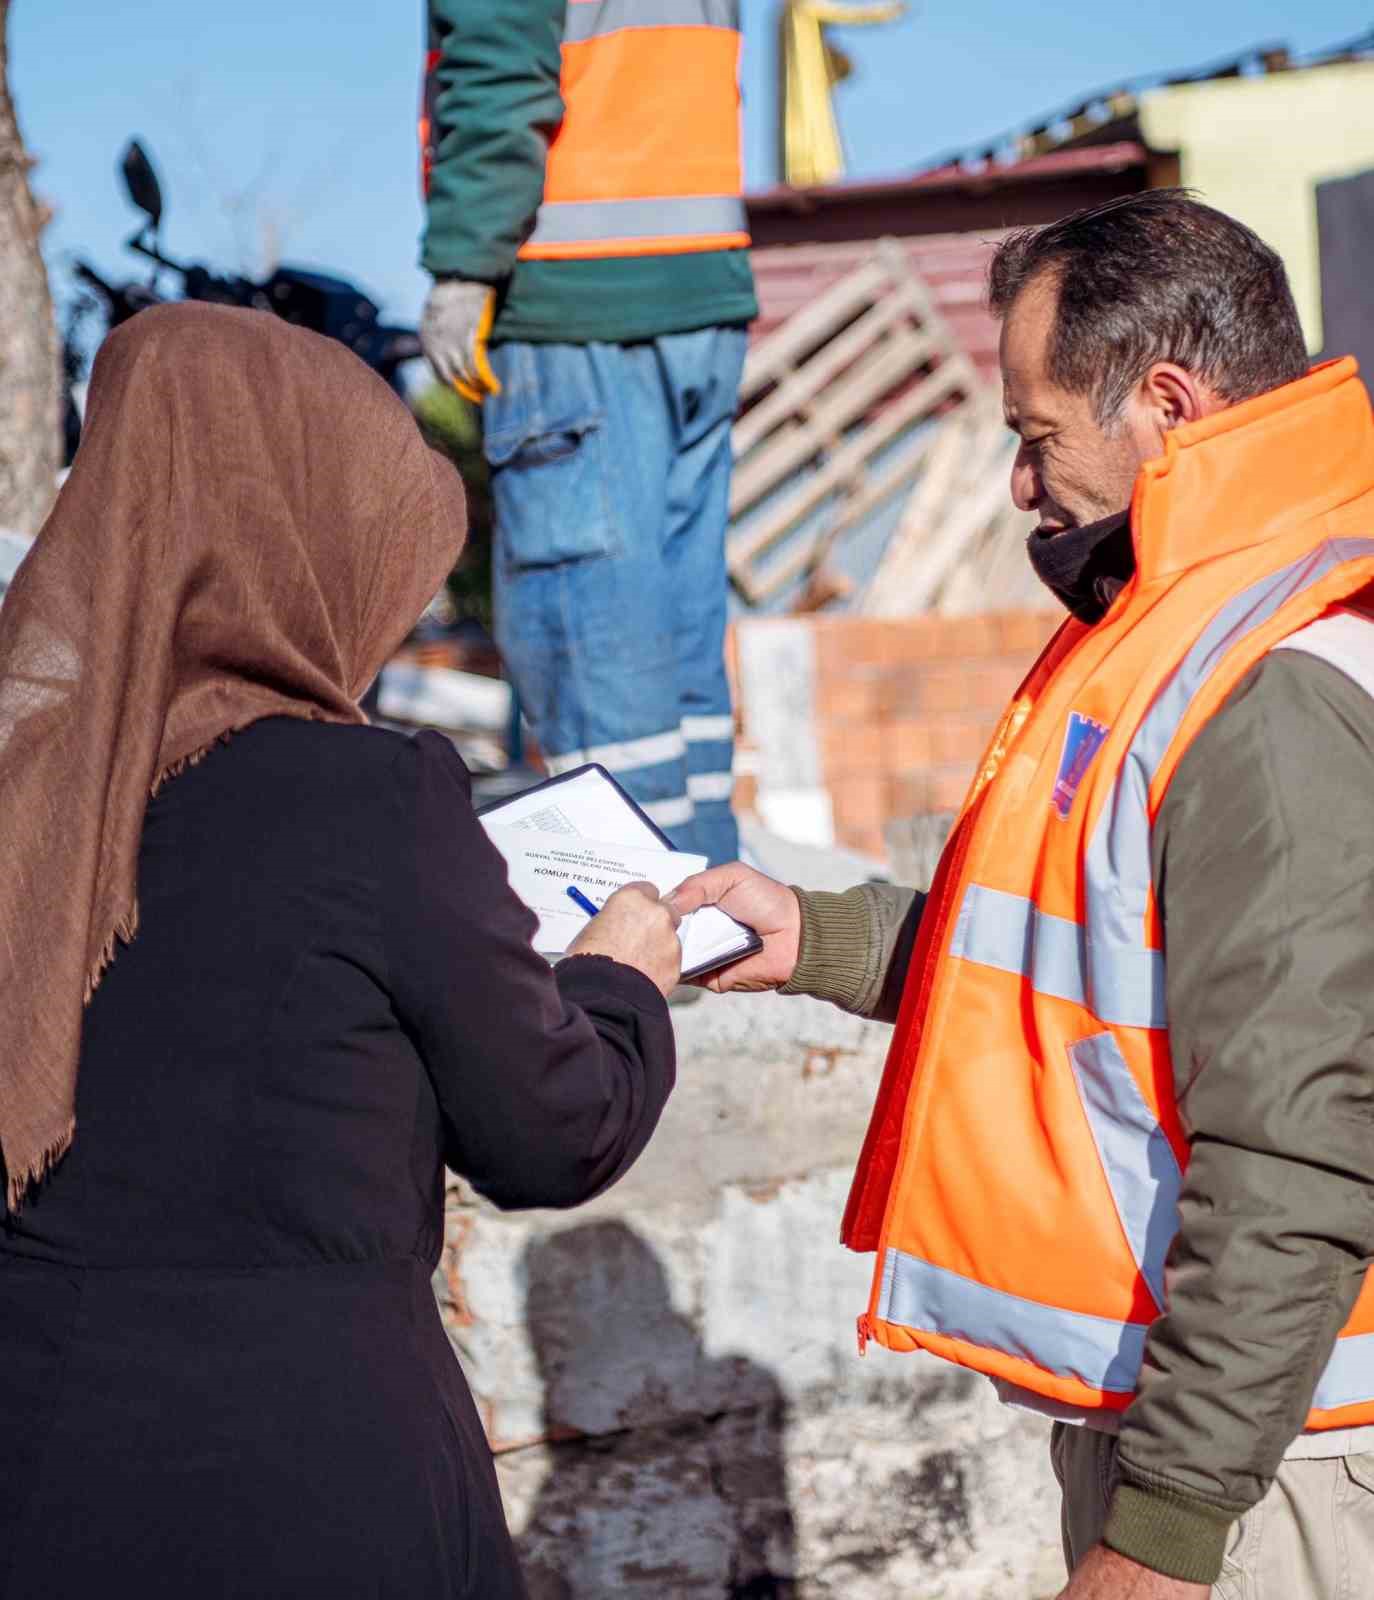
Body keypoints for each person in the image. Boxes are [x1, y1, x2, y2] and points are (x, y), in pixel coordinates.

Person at [670, 192, 1374, 1599]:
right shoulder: (1175, 623)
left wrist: (1165, 1532)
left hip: (1274, 1470)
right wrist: (832, 936)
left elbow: (1296, 1147)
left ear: (1163, 403)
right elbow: (1088, 960)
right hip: (1228, 1440)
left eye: (1033, 434)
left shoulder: (1264, 675)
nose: (1017, 484)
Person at [0, 302, 683, 1598]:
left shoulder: (26, 780)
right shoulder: (366, 797)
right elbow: (551, 1130)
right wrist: (621, 975)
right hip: (310, 1479)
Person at [418, 0, 757, 867]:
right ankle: (704, 899)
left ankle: (628, 918)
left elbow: (498, 64)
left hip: (575, 299)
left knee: (588, 625)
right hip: (700, 289)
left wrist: (466, 259)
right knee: (672, 616)